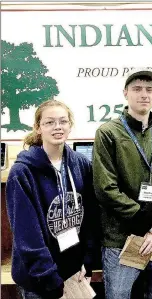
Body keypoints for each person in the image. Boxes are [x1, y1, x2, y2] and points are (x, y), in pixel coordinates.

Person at [93, 68, 152, 299]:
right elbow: (105, 189)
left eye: (150, 90)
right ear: (125, 93)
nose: (144, 94)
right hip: (120, 240)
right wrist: (148, 223)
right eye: (137, 89)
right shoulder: (108, 132)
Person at [6, 100, 96, 299]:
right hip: (39, 279)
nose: (57, 127)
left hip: (73, 271)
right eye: (49, 122)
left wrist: (86, 261)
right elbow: (27, 236)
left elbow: (89, 216)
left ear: (70, 125)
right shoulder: (22, 172)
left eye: (63, 121)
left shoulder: (80, 164)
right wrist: (50, 280)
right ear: (38, 128)